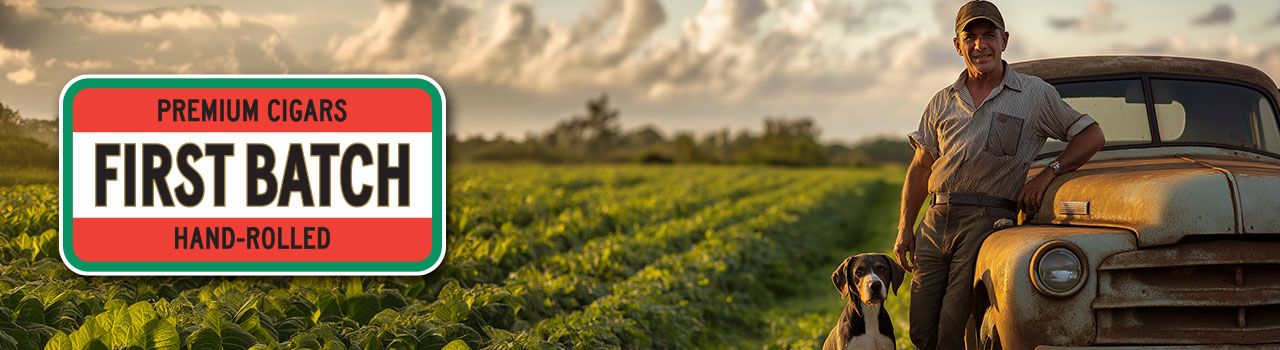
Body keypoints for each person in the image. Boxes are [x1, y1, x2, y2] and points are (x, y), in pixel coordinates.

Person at [891, 1, 1106, 349]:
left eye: (988, 35)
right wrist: (905, 228)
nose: (980, 45)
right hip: (935, 219)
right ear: (957, 46)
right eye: (970, 37)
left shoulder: (1034, 94)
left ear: (1004, 40)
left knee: (952, 327)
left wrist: (1048, 173)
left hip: (987, 218)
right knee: (921, 330)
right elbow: (920, 167)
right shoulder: (942, 101)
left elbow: (1092, 134)